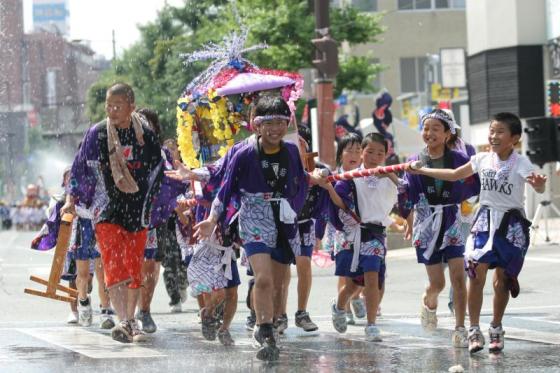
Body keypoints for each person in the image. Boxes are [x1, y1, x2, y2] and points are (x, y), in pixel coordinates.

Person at [409, 112, 546, 354]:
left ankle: (496, 328)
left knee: (502, 282)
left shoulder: (521, 162)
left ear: (514, 138)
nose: (493, 136)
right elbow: (454, 175)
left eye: (500, 132)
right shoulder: (481, 158)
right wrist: (423, 172)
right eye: (491, 131)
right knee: (475, 274)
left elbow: (537, 183)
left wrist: (539, 184)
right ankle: (473, 330)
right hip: (484, 221)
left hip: (510, 224)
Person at [193, 96, 312, 361]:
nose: (275, 129)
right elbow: (225, 188)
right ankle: (265, 329)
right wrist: (213, 219)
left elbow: (300, 182)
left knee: (280, 283)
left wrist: (294, 207)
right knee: (264, 277)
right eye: (267, 123)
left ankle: (268, 322)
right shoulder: (244, 152)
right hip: (253, 215)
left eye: (281, 122)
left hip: (283, 216)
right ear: (256, 126)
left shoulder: (292, 151)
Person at [62, 83, 171, 343]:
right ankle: (124, 320)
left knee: (134, 266)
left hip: (138, 209)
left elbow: (158, 172)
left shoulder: (145, 134)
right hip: (106, 208)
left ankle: (130, 319)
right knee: (112, 263)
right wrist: (71, 200)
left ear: (131, 106)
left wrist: (158, 202)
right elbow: (78, 170)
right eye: (108, 105)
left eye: (117, 106)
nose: (111, 110)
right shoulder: (97, 134)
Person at [398, 108, 480, 348]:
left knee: (457, 276)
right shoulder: (415, 161)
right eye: (426, 128)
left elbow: (473, 183)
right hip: (427, 222)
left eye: (435, 129)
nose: (429, 133)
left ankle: (460, 328)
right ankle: (428, 302)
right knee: (438, 284)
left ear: (447, 134)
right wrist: (409, 220)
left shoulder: (458, 160)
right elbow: (406, 193)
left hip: (453, 220)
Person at [320, 133, 399, 341]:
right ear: (362, 152)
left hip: (376, 236)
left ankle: (371, 325)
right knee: (352, 285)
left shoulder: (390, 176)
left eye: (380, 153)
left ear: (386, 154)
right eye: (369, 151)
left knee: (372, 280)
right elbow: (340, 202)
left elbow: (405, 192)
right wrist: (328, 187)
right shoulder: (351, 177)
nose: (374, 156)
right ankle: (339, 306)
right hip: (353, 234)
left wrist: (390, 175)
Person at [322, 133, 366, 324]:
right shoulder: (334, 177)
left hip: (365, 230)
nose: (355, 154)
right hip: (340, 231)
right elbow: (325, 208)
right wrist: (317, 234)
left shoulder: (367, 175)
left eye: (359, 150)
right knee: (346, 271)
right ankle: (344, 307)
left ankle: (355, 296)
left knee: (365, 268)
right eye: (350, 150)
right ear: (341, 154)